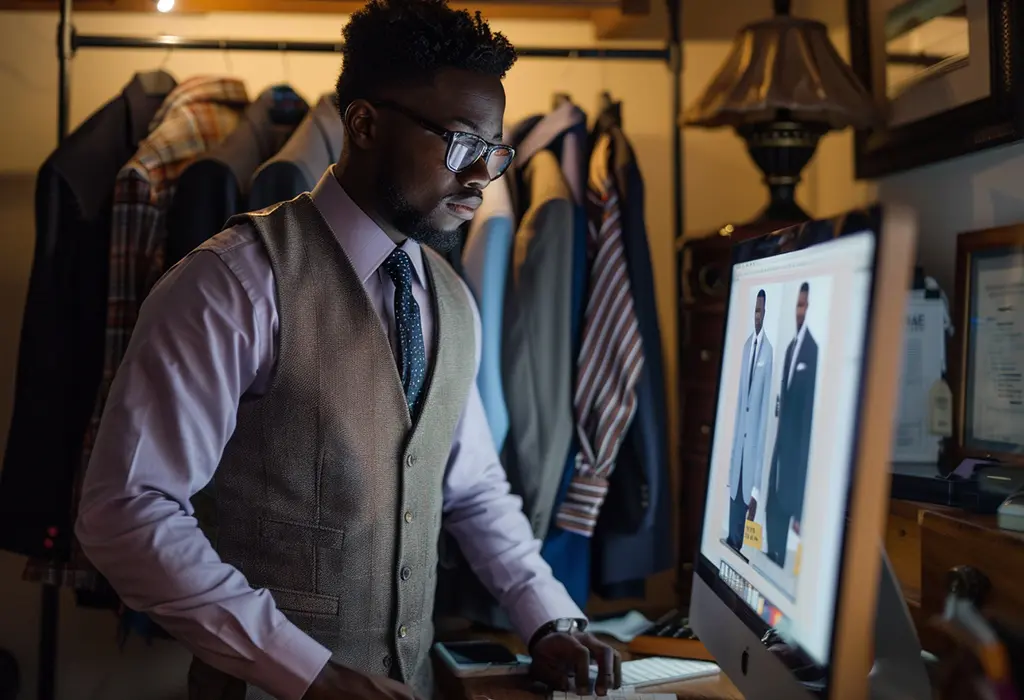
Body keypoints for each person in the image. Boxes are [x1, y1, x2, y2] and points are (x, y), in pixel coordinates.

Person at [74, 1, 622, 699]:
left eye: (495, 149)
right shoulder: (234, 283)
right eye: (460, 144)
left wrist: (549, 622)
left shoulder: (452, 299)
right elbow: (128, 509)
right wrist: (313, 675)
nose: (483, 174)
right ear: (363, 124)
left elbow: (472, 488)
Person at [765, 282, 818, 568]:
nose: (801, 311)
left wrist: (801, 506)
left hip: (795, 470)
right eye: (798, 305)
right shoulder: (789, 350)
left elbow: (808, 426)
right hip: (778, 464)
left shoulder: (814, 352)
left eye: (805, 305)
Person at [726, 289, 773, 553]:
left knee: (744, 532)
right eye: (754, 310)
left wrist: (757, 484)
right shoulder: (746, 347)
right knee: (732, 526)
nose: (757, 315)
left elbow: (764, 414)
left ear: (765, 313)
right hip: (739, 456)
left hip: (753, 455)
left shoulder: (769, 351)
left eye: (760, 310)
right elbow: (738, 409)